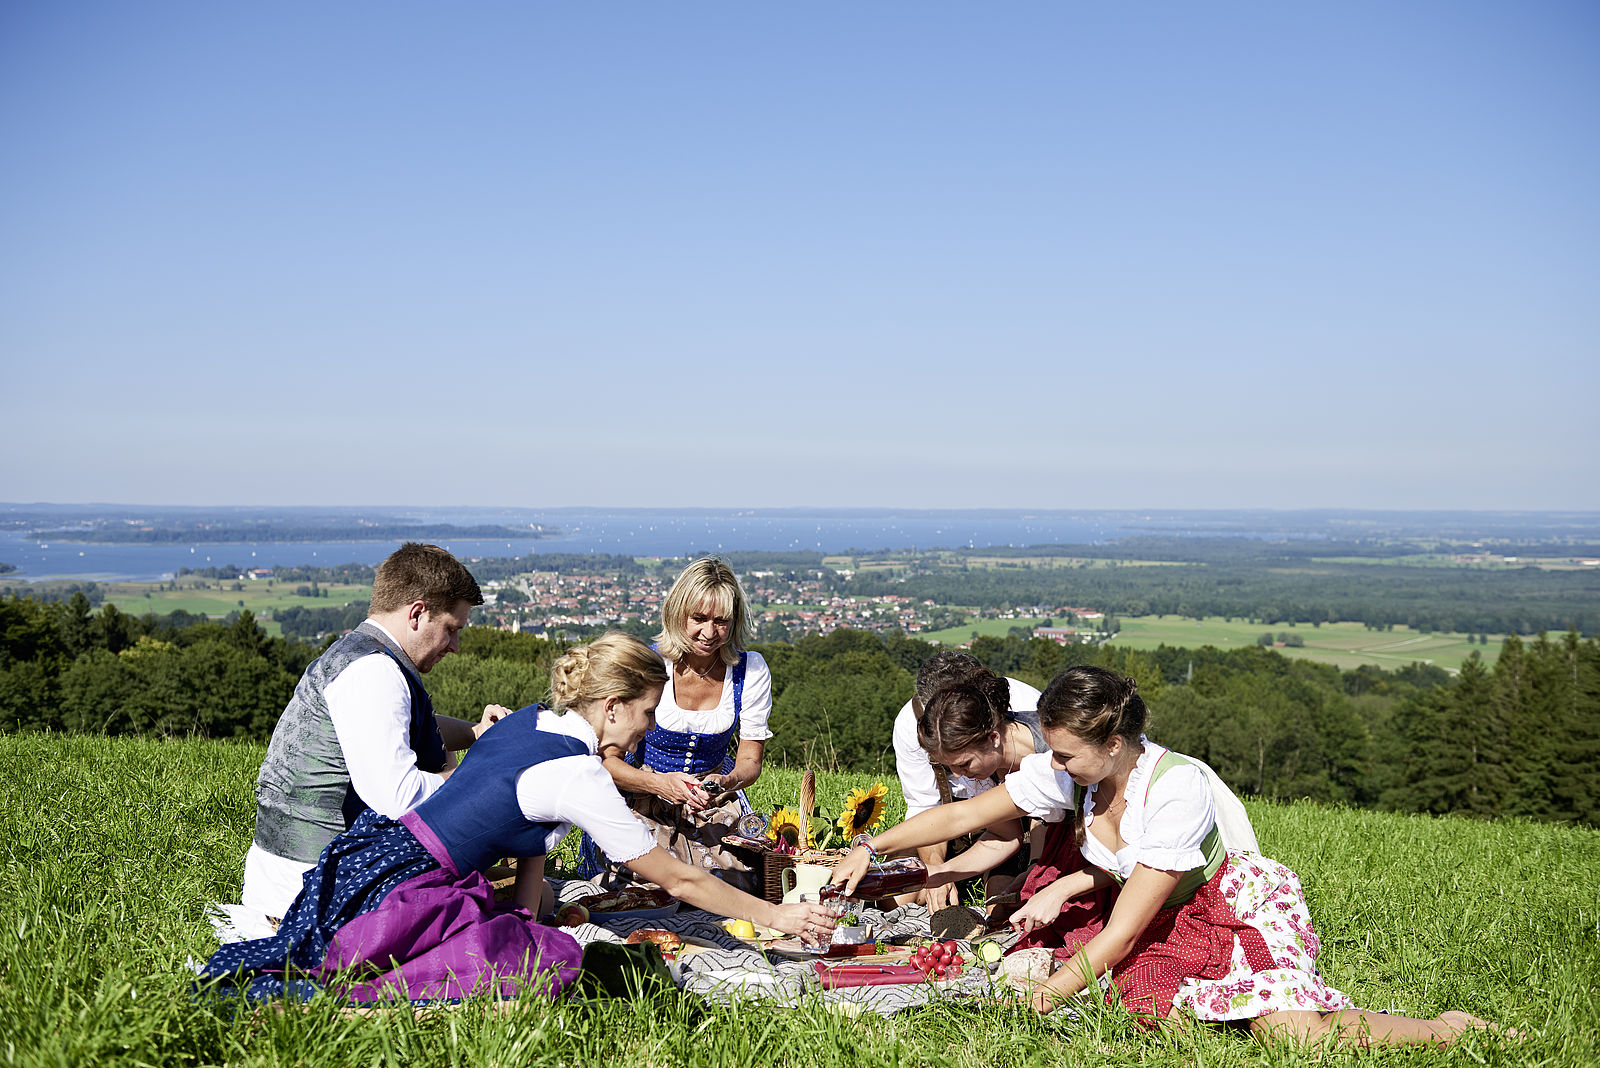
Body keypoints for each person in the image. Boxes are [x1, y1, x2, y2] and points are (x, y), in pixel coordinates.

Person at [832, 666, 1504, 1046]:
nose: (1051, 763)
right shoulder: (1071, 772)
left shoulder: (1176, 787)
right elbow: (964, 813)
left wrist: (1052, 991)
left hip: (1228, 905)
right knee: (1168, 1020)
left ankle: (1449, 1030)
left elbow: (1123, 928)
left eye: (1064, 753)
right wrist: (869, 845)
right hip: (1158, 913)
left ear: (1116, 742)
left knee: (1294, 1037)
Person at [200, 633, 837, 1003]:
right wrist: (776, 915)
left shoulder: (531, 722)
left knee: (532, 936)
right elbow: (678, 880)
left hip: (375, 857)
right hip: (410, 891)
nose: (647, 729)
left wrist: (527, 915)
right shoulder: (581, 775)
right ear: (612, 708)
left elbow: (531, 837)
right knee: (552, 962)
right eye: (645, 714)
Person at [242, 542, 493, 920]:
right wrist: (489, 777)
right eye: (451, 629)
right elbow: (398, 797)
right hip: (313, 891)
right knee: (523, 899)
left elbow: (404, 727)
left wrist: (477, 733)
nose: (455, 646)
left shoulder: (363, 655)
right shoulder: (374, 673)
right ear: (418, 614)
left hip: (305, 874)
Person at [577, 558, 772, 892]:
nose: (709, 633)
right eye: (699, 618)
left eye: (721, 621)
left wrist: (725, 782)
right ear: (678, 612)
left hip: (711, 802)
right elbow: (604, 760)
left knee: (733, 880)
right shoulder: (648, 666)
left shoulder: (749, 670)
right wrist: (658, 785)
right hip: (642, 792)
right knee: (646, 883)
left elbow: (750, 762)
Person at [891, 651, 1043, 908]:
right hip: (956, 821)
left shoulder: (1031, 719)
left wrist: (1037, 870)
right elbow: (927, 806)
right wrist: (937, 870)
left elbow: (1041, 815)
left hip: (1022, 822)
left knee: (1003, 901)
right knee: (899, 893)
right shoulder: (912, 724)